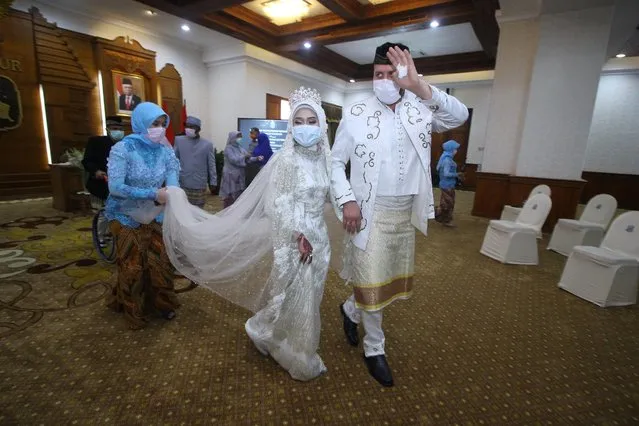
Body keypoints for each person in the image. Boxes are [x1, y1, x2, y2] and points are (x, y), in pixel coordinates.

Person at [162, 86, 339, 381]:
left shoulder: (327, 160)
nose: (305, 127)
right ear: (290, 126)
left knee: (310, 296)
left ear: (321, 124)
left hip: (319, 238)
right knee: (291, 294)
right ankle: (292, 349)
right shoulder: (286, 160)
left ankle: (288, 339)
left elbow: (333, 195)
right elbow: (275, 204)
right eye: (298, 121)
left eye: (311, 121)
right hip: (294, 238)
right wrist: (298, 235)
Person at [331, 42, 469, 387]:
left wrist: (419, 87)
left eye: (392, 74)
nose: (385, 80)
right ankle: (374, 348)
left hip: (405, 211)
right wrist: (347, 199)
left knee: (383, 279)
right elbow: (334, 161)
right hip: (368, 213)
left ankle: (350, 309)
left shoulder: (420, 108)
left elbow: (460, 115)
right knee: (373, 281)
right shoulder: (356, 112)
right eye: (379, 74)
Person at [105, 102, 181, 330]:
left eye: (162, 124)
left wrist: (172, 193)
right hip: (126, 213)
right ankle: (134, 309)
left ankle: (163, 304)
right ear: (140, 124)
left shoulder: (166, 151)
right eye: (154, 124)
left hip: (156, 213)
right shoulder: (123, 149)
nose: (159, 128)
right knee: (132, 265)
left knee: (161, 262)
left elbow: (173, 178)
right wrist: (153, 193)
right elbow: (115, 187)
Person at [82, 116, 124, 244]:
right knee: (103, 212)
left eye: (119, 129)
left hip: (119, 185)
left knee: (118, 212)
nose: (117, 131)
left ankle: (112, 233)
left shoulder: (125, 144)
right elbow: (87, 161)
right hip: (100, 184)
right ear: (108, 129)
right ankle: (99, 237)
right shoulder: (96, 142)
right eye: (114, 128)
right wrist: (96, 171)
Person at [174, 116, 217, 208]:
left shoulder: (207, 144)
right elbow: (174, 161)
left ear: (198, 129)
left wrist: (213, 182)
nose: (189, 129)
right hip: (183, 182)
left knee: (198, 210)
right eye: (187, 126)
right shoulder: (179, 140)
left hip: (199, 183)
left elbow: (211, 165)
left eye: (192, 127)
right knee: (183, 209)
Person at [219, 131, 262, 208]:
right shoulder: (228, 149)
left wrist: (256, 158)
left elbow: (248, 158)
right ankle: (226, 214)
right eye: (238, 137)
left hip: (239, 175)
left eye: (240, 137)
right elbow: (233, 159)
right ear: (233, 138)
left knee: (238, 196)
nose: (240, 139)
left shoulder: (240, 148)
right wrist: (245, 157)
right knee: (230, 197)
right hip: (230, 176)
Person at [435, 140, 463, 227]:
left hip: (447, 184)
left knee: (446, 203)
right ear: (451, 149)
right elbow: (446, 173)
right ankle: (441, 217)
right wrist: (457, 174)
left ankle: (444, 219)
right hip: (447, 185)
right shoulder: (447, 160)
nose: (456, 151)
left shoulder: (447, 158)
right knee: (448, 203)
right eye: (455, 149)